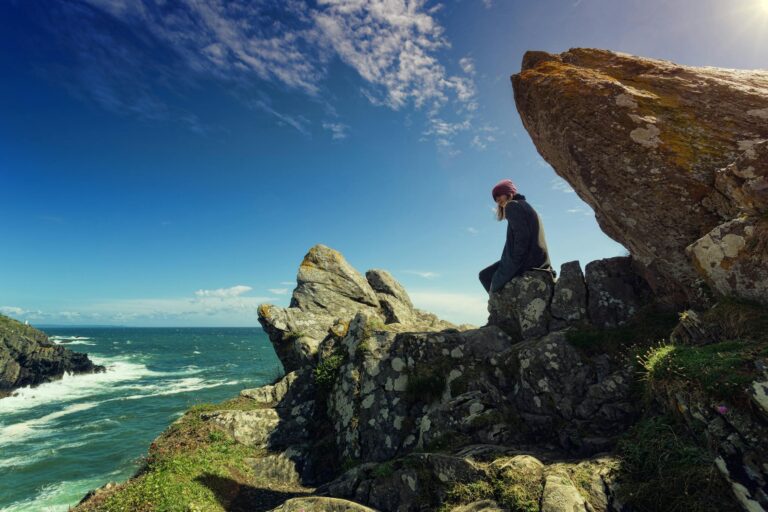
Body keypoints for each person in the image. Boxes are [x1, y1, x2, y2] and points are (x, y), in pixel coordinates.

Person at [479, 178, 554, 294]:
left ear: (509, 193)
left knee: (486, 277)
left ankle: (499, 306)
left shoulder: (512, 206)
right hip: (537, 259)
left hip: (527, 262)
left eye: (499, 194)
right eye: (495, 197)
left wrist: (514, 263)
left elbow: (522, 237)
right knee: (485, 274)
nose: (497, 199)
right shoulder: (525, 205)